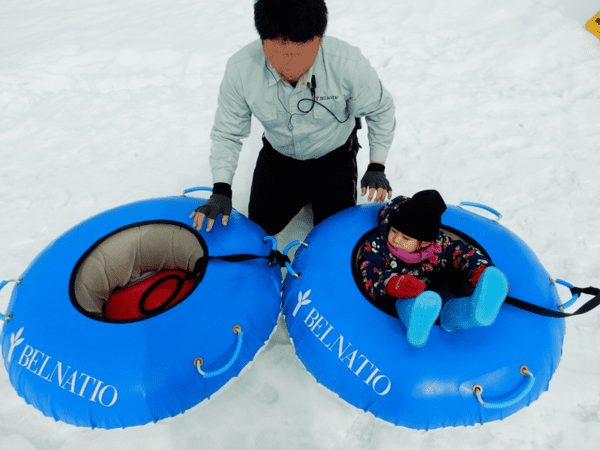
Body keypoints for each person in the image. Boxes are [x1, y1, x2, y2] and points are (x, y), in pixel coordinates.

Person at [190, 0, 396, 235]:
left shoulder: (348, 64)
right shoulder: (240, 69)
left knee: (333, 236)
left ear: (319, 39)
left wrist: (376, 165)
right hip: (279, 160)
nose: (289, 66)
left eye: (299, 53)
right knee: (257, 229)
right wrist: (221, 189)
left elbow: (381, 110)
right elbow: (227, 132)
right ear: (263, 41)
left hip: (334, 160)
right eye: (279, 52)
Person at [358, 190, 509, 348]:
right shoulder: (378, 245)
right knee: (409, 302)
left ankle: (471, 312)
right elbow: (369, 272)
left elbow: (464, 253)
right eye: (394, 231)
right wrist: (391, 283)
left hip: (435, 294)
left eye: (405, 238)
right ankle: (416, 321)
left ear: (423, 243)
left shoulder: (439, 245)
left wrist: (479, 271)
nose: (395, 239)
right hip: (398, 295)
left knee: (444, 300)